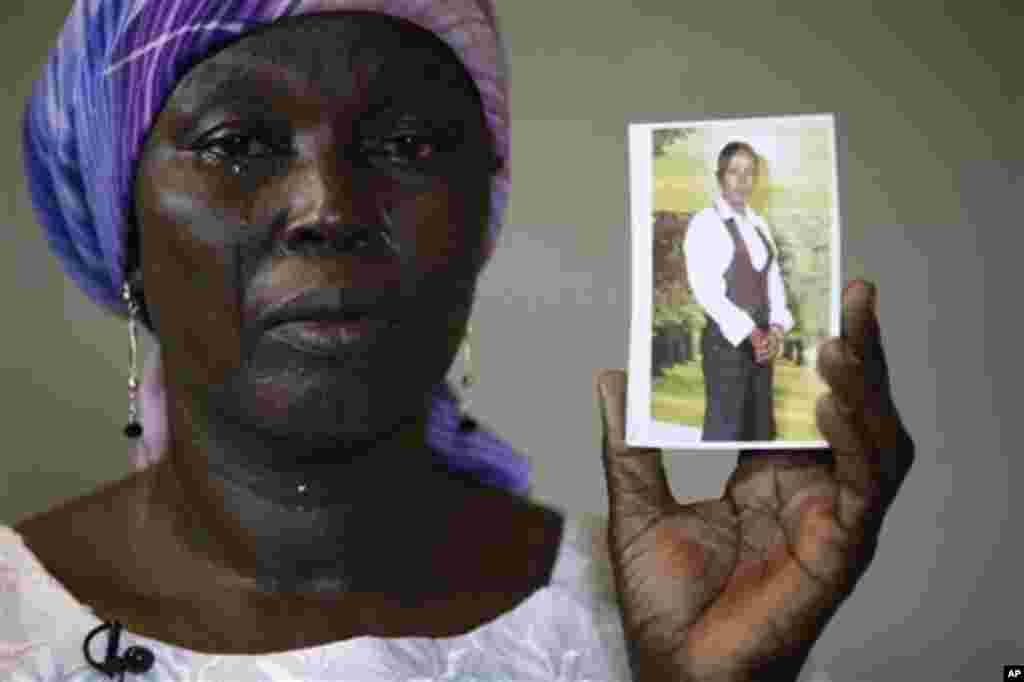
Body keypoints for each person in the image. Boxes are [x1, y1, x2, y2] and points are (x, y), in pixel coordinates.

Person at [2, 1, 914, 680]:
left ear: (482, 216)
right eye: (237, 142)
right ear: (121, 228)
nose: (329, 208)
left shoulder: (652, 608)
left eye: (409, 145)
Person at [684, 141, 795, 442]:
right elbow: (707, 292)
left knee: (760, 434)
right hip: (727, 347)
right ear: (720, 176)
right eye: (734, 171)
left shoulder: (759, 224)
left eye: (749, 172)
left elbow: (773, 282)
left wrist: (776, 328)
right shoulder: (705, 223)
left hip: (762, 348)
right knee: (726, 432)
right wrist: (751, 333)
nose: (742, 180)